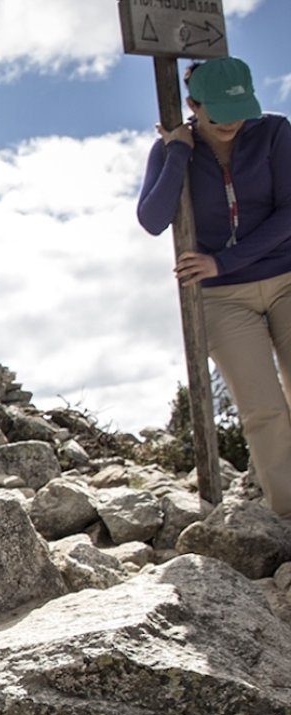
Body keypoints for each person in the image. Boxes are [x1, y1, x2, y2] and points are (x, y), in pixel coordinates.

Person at [137, 56, 291, 515]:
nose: (233, 123)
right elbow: (152, 220)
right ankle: (288, 517)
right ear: (193, 104)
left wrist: (223, 261)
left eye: (239, 110)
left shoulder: (275, 133)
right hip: (222, 301)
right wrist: (179, 152)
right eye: (219, 112)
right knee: (264, 411)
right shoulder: (172, 150)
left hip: (285, 278)